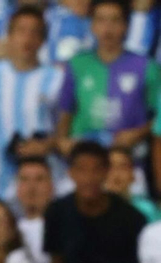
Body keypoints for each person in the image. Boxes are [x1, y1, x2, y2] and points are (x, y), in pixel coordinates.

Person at [0, 6, 58, 202]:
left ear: (43, 40)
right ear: (9, 36)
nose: (27, 38)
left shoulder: (55, 78)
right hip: (0, 182)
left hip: (44, 179)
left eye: (34, 32)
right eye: (21, 31)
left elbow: (64, 131)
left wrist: (46, 145)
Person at [55, 0, 159, 157]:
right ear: (92, 25)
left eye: (115, 20)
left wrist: (138, 133)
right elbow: (66, 112)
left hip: (128, 162)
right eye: (101, 20)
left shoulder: (146, 67)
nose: (108, 28)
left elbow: (159, 116)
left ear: (126, 25)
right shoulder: (77, 64)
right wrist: (62, 141)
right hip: (85, 160)